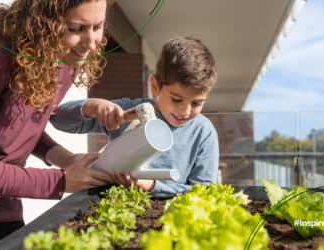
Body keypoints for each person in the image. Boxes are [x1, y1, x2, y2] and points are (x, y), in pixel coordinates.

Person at [0, 0, 116, 245]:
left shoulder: (64, 56)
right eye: (76, 29)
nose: (92, 43)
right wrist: (58, 181)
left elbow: (16, 126)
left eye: (98, 26)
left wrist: (67, 159)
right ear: (41, 20)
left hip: (3, 209)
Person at [50, 36, 219, 198]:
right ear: (154, 85)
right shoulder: (129, 111)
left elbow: (205, 192)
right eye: (176, 100)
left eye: (197, 103)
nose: (185, 111)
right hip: (117, 211)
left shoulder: (203, 131)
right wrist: (93, 107)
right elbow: (57, 119)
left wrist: (152, 186)